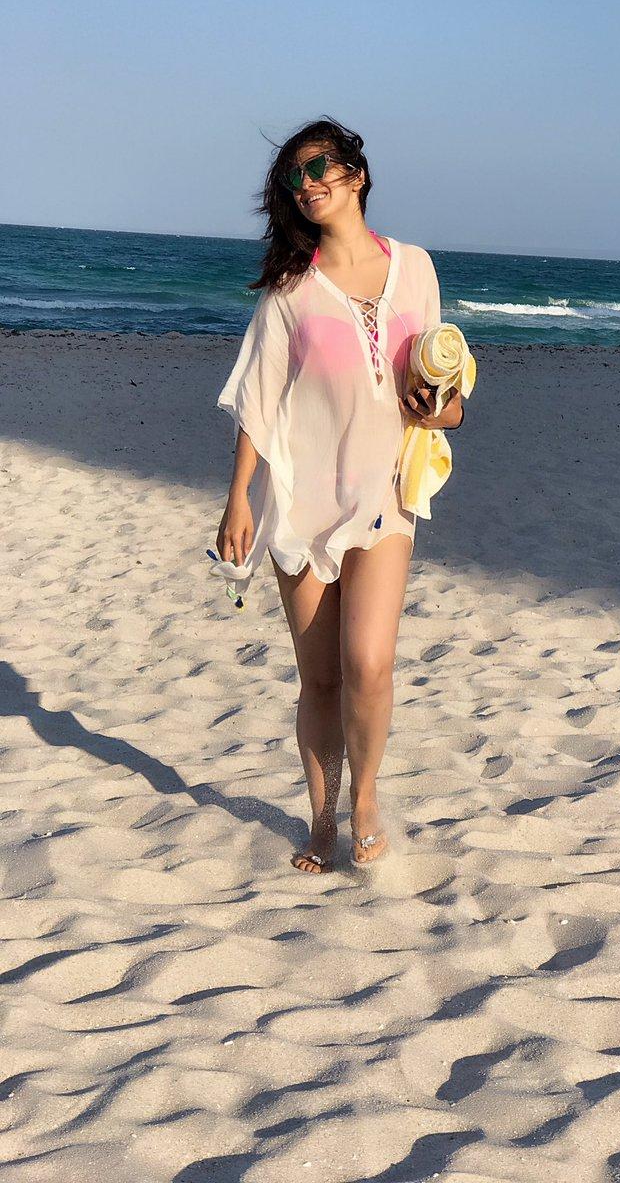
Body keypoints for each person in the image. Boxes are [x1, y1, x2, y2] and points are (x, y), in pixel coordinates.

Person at [214, 117, 464, 872]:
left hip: (386, 493)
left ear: (355, 172)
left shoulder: (416, 268)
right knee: (319, 678)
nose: (307, 184)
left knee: (370, 661)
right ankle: (321, 817)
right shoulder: (290, 289)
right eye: (294, 177)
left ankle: (366, 799)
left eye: (318, 166)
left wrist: (443, 410)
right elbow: (259, 401)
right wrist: (239, 497)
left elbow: (442, 382)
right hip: (303, 499)